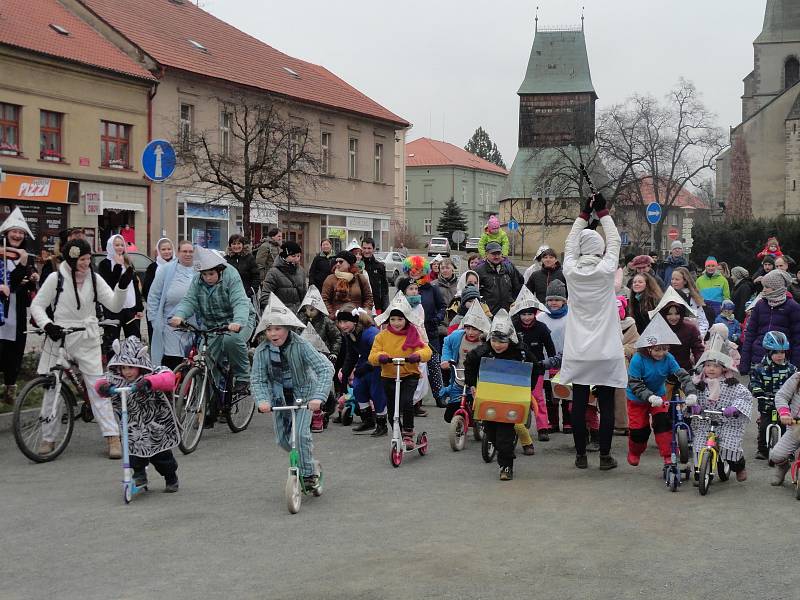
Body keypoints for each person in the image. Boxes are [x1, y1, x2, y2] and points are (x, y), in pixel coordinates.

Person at [30, 238, 133, 458]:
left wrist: (122, 285)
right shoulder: (55, 278)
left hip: (87, 337)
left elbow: (114, 304)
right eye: (83, 260)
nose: (87, 264)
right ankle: (48, 438)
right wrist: (47, 325)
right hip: (58, 336)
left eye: (89, 259)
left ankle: (112, 436)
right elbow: (37, 305)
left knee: (98, 388)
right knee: (51, 389)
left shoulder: (94, 279)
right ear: (72, 259)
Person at [560, 192, 625, 470]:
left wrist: (584, 215)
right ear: (599, 249)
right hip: (607, 348)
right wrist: (604, 212)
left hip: (578, 349)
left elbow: (569, 244)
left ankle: (580, 455)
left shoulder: (571, 270)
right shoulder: (607, 269)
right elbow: (616, 241)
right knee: (607, 403)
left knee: (579, 399)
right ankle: (606, 456)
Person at [253, 294, 334, 493]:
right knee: (283, 440)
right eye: (269, 329)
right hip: (279, 399)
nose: (273, 333)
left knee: (300, 435)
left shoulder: (301, 345)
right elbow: (258, 379)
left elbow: (326, 368)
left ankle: (308, 474)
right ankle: (307, 459)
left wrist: (318, 397)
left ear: (288, 328)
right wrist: (262, 400)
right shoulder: (262, 352)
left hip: (305, 395)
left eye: (278, 328)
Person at [169, 247, 256, 403]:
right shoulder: (197, 280)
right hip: (212, 325)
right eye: (204, 274)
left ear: (220, 271)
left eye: (211, 274)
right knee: (205, 361)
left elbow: (239, 301)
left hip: (239, 321)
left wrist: (238, 322)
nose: (207, 278)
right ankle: (209, 407)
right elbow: (190, 300)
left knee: (231, 340)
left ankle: (243, 378)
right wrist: (179, 316)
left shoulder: (231, 275)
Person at [96, 337, 180, 493]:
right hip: (133, 424)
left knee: (161, 455)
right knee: (133, 451)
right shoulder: (116, 379)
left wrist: (149, 383)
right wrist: (103, 388)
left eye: (131, 367)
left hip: (155, 422)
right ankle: (139, 474)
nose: (126, 372)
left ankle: (171, 477)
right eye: (123, 367)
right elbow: (101, 381)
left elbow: (168, 378)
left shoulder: (152, 372)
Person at [464, 309, 537, 480]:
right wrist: (472, 385)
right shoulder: (483, 350)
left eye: (502, 341)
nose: (497, 345)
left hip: (510, 401)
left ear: (510, 339)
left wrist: (528, 389)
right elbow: (470, 364)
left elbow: (535, 368)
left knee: (504, 437)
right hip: (489, 399)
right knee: (491, 433)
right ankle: (504, 451)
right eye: (495, 340)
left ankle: (506, 466)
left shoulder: (520, 352)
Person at [626, 315, 698, 468]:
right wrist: (649, 397)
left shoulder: (668, 358)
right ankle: (635, 451)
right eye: (657, 349)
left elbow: (681, 375)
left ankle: (668, 455)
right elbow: (635, 383)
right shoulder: (638, 359)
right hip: (637, 399)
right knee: (639, 431)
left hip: (659, 395)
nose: (661, 353)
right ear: (648, 348)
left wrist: (691, 392)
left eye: (665, 349)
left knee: (663, 425)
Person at [369, 294, 432, 448]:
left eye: (400, 319)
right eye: (393, 319)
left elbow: (426, 351)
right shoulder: (382, 336)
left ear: (406, 320)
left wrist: (417, 355)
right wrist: (381, 357)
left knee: (406, 402)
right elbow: (372, 356)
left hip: (409, 374)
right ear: (388, 320)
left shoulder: (413, 334)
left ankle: (408, 433)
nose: (396, 323)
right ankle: (398, 430)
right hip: (389, 375)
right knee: (392, 408)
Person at [690, 335, 753, 482]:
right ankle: (700, 469)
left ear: (724, 368)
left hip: (727, 422)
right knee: (699, 444)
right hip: (705, 420)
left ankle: (738, 467)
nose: (711, 369)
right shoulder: (698, 383)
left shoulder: (731, 384)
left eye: (716, 366)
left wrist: (735, 408)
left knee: (730, 447)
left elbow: (744, 396)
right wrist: (693, 406)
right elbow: (690, 396)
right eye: (708, 365)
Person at [510, 286, 560, 444]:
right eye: (524, 314)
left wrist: (552, 365)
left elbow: (551, 349)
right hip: (517, 368)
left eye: (530, 314)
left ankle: (542, 428)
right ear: (519, 314)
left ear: (535, 314)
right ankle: (512, 425)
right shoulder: (513, 327)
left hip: (536, 367)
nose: (526, 317)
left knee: (538, 398)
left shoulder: (541, 328)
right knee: (515, 398)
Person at [0, 208, 39, 404]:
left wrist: (32, 278)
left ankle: (10, 392)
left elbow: (24, 285)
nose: (17, 235)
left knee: (14, 351)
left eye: (21, 232)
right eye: (14, 231)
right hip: (1, 309)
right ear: (6, 233)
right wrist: (22, 269)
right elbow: (12, 282)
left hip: (17, 309)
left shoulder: (27, 256)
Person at [400, 256, 445, 409]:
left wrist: (437, 319)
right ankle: (415, 400)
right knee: (414, 366)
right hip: (409, 336)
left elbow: (442, 307)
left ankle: (439, 396)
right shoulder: (403, 289)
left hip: (429, 332)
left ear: (423, 270)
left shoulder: (432, 288)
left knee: (433, 364)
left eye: (418, 269)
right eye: (411, 269)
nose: (414, 272)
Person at [335, 303, 386, 435]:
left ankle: (382, 424)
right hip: (364, 362)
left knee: (377, 393)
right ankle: (367, 420)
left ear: (354, 320)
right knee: (358, 387)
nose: (342, 325)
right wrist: (345, 375)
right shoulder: (349, 333)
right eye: (340, 322)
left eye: (345, 321)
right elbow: (350, 356)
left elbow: (381, 352)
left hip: (377, 364)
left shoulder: (370, 333)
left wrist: (365, 367)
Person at [297, 285, 342, 432]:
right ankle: (306, 415)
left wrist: (333, 353)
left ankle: (321, 413)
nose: (309, 312)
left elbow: (336, 337)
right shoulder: (300, 321)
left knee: (320, 386)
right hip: (303, 358)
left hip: (322, 357)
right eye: (307, 308)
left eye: (313, 309)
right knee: (306, 386)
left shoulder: (326, 322)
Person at [739, 269, 800, 374]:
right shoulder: (760, 304)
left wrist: (795, 367)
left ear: (777, 288)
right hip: (758, 359)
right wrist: (744, 363)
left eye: (767, 287)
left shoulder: (793, 307)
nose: (764, 290)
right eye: (763, 286)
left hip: (781, 361)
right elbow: (750, 334)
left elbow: (797, 339)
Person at [147, 241, 196, 370]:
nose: (188, 254)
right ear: (178, 253)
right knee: (172, 360)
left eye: (190, 251)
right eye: (184, 251)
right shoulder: (166, 270)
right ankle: (171, 387)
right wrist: (154, 320)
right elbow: (154, 296)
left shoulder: (199, 270)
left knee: (192, 361)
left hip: (193, 324)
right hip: (170, 324)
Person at [440, 300, 492, 419]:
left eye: (474, 329)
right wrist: (446, 359)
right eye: (467, 328)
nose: (470, 332)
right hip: (460, 379)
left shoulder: (487, 342)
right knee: (449, 416)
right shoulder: (457, 336)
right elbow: (446, 343)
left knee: (480, 413)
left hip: (479, 381)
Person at [749, 331, 796, 460]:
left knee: (787, 428)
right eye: (776, 352)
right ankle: (762, 450)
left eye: (782, 352)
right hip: (767, 404)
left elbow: (795, 386)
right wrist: (757, 390)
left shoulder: (791, 369)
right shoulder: (759, 368)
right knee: (763, 427)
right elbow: (753, 382)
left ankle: (788, 451)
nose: (780, 356)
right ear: (768, 352)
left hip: (785, 407)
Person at [98, 234, 144, 358]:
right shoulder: (104, 264)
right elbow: (110, 284)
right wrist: (118, 266)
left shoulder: (128, 262)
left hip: (130, 307)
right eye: (116, 245)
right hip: (113, 309)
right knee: (112, 340)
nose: (119, 248)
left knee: (133, 339)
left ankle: (134, 365)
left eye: (121, 245)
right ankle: (113, 366)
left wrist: (139, 308)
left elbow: (134, 285)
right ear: (110, 246)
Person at [537, 280, 570, 434]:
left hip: (567, 359)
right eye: (550, 300)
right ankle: (553, 421)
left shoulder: (571, 316)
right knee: (550, 393)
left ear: (564, 301)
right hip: (548, 360)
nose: (553, 303)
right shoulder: (541, 317)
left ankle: (568, 421)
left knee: (566, 391)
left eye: (557, 300)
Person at [650, 287, 704, 373]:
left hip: (684, 370)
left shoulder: (691, 328)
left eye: (677, 313)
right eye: (669, 314)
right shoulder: (656, 328)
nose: (673, 317)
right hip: (661, 372)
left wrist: (700, 367)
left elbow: (698, 349)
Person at [768, 369, 800, 486]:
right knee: (776, 455)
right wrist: (785, 413)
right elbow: (782, 395)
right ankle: (782, 467)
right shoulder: (797, 377)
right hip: (796, 426)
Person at [476, 241, 524, 316]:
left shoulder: (509, 268)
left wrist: (513, 302)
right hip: (489, 314)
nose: (497, 256)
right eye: (493, 254)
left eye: (498, 254)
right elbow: (475, 294)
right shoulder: (479, 271)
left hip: (509, 313)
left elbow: (518, 287)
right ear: (486, 254)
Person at [614, 296, 639, 435]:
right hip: (607, 363)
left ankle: (623, 423)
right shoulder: (604, 323)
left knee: (623, 392)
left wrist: (625, 350)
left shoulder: (630, 325)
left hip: (624, 364)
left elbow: (636, 344)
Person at [321, 251, 373, 317]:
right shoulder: (330, 279)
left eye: (341, 262)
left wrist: (363, 312)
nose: (337, 264)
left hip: (357, 319)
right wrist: (332, 314)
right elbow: (324, 300)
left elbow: (368, 298)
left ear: (349, 264)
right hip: (337, 320)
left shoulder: (359, 278)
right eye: (336, 262)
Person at [260, 241, 307, 312]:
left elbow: (304, 295)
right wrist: (276, 312)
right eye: (293, 256)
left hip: (298, 317)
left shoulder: (301, 271)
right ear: (284, 256)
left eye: (298, 256)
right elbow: (265, 297)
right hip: (281, 317)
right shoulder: (273, 273)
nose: (297, 259)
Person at [141, 237, 173, 340]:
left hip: (173, 309)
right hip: (156, 309)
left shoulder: (177, 266)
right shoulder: (153, 267)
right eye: (163, 249)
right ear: (158, 251)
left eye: (169, 249)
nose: (167, 252)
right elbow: (147, 290)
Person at [669, 266, 710, 339]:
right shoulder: (668, 295)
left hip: (688, 338)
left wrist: (699, 337)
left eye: (677, 279)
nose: (674, 282)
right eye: (672, 279)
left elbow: (703, 321)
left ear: (685, 281)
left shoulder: (691, 298)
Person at [361, 237, 389, 314]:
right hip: (361, 306)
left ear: (373, 249)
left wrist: (385, 309)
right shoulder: (357, 266)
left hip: (377, 306)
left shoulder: (380, 266)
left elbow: (385, 290)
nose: (366, 251)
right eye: (364, 248)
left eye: (369, 248)